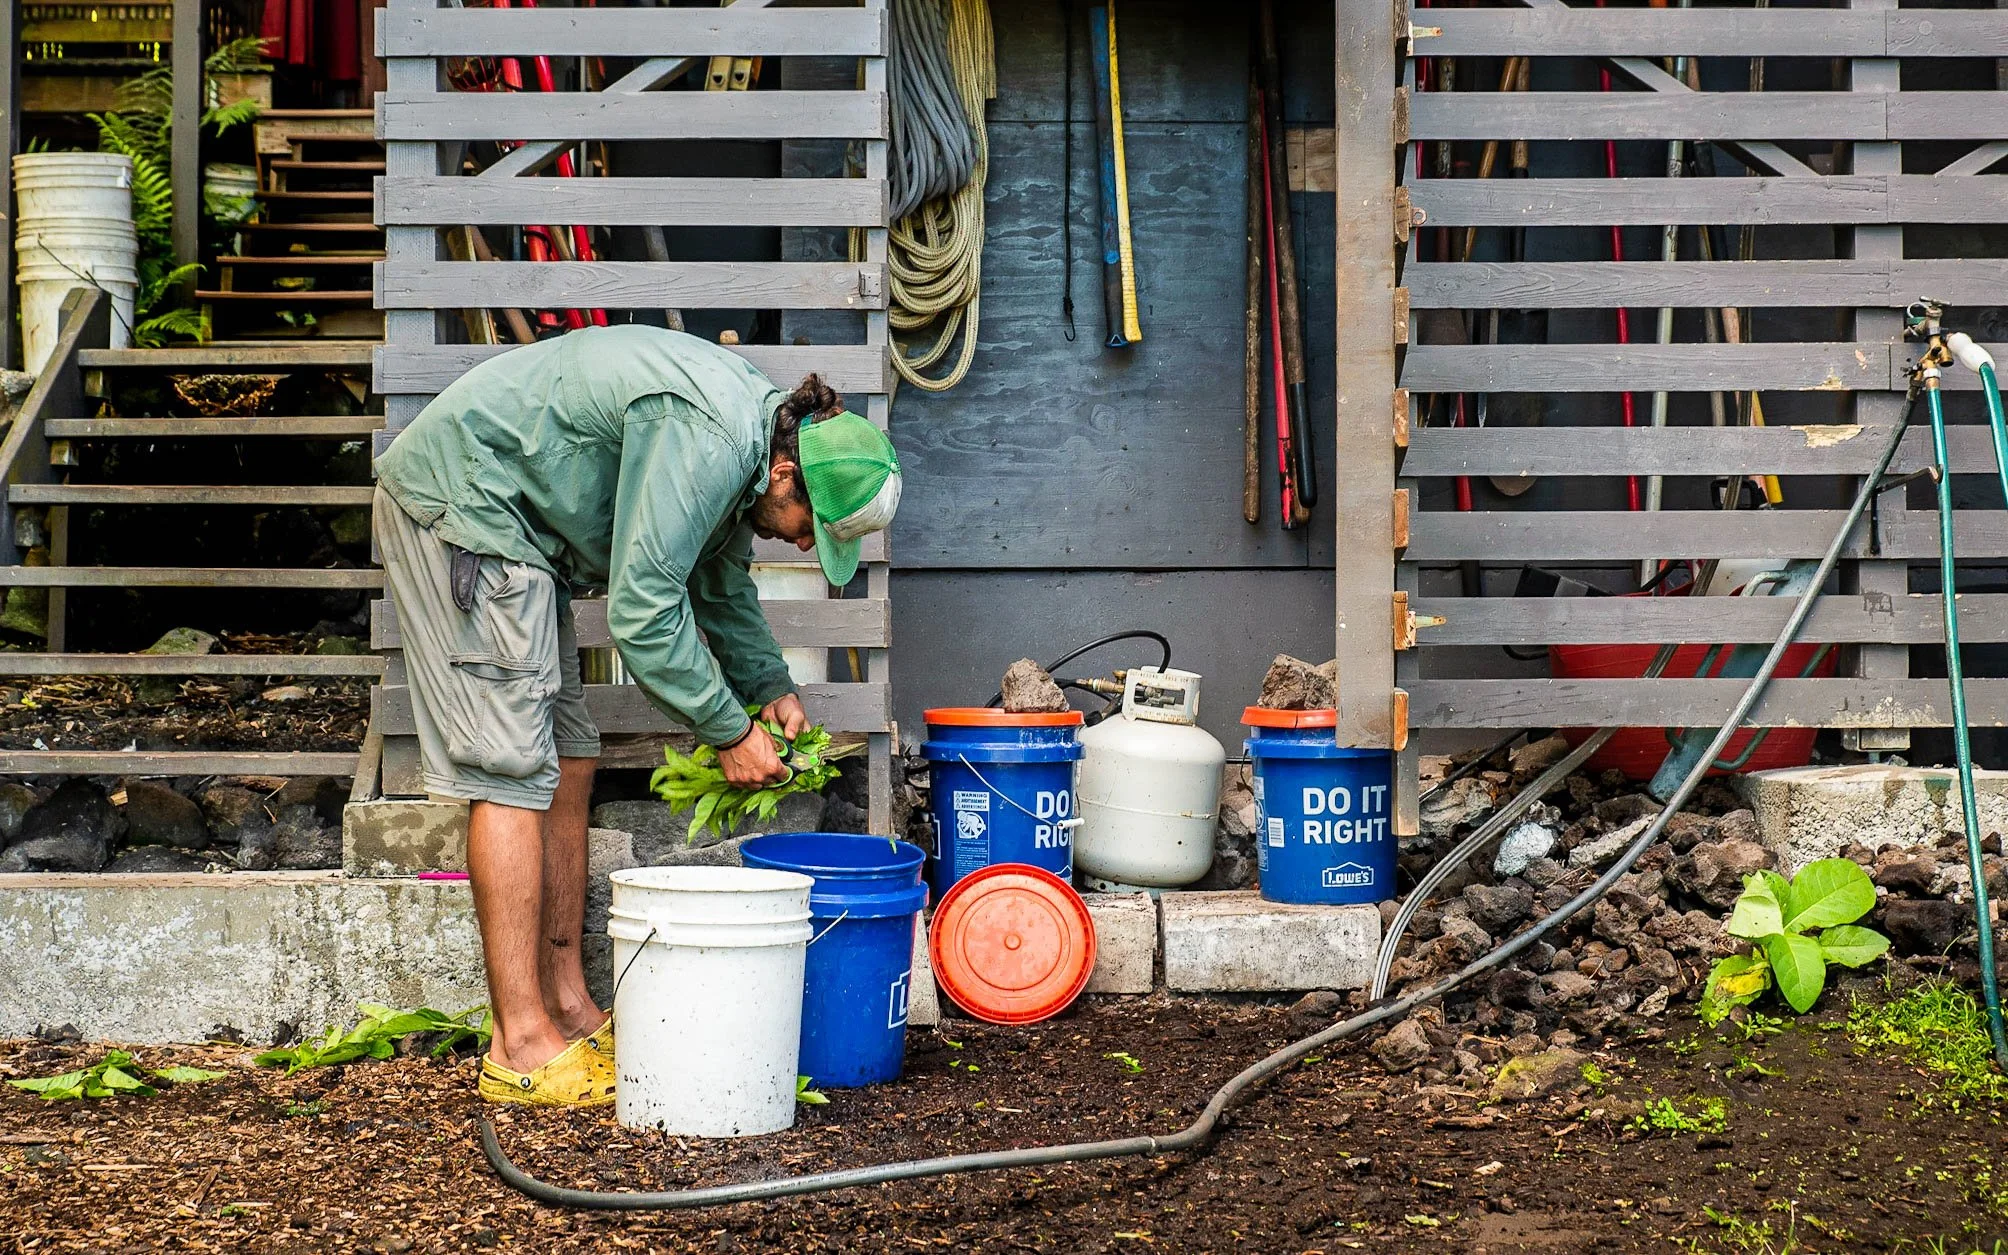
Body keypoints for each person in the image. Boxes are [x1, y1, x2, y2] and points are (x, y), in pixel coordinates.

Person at [373, 324, 902, 1107]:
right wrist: (728, 731)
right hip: (465, 506)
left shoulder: (748, 443)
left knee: (572, 754)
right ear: (785, 472)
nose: (799, 545)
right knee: (515, 770)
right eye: (807, 526)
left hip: (522, 538)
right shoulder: (709, 435)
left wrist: (766, 688)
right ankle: (520, 1045)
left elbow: (715, 580)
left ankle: (570, 1008)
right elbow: (646, 613)